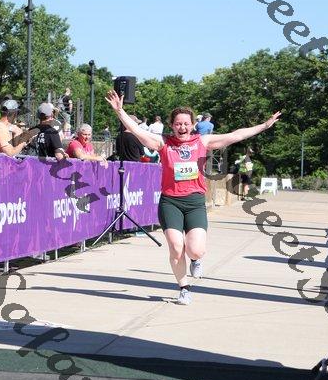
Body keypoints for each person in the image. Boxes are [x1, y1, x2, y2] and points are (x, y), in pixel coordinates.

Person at [105, 89, 281, 305]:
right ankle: (184, 288)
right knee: (176, 247)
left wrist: (264, 126)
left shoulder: (202, 142)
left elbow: (235, 135)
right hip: (170, 202)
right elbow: (136, 130)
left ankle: (196, 260)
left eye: (186, 124)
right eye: (178, 124)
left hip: (195, 202)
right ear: (172, 125)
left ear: (193, 125)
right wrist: (120, 111)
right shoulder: (163, 143)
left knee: (195, 250)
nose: (182, 127)